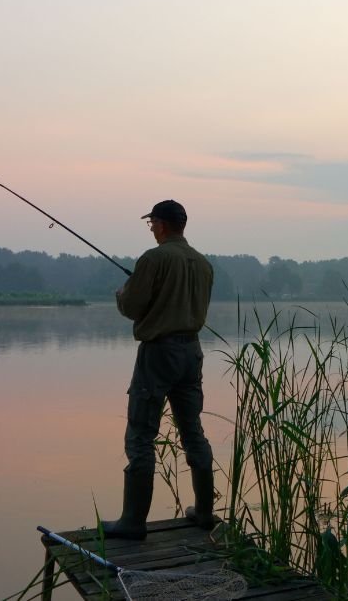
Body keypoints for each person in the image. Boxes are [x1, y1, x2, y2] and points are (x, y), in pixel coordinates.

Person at [101, 199, 216, 540]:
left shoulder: (154, 258)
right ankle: (205, 513)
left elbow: (133, 306)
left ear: (162, 224)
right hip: (192, 352)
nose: (151, 228)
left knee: (140, 433)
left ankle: (133, 522)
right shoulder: (204, 264)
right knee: (192, 429)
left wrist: (122, 293)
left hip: (158, 354)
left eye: (151, 223)